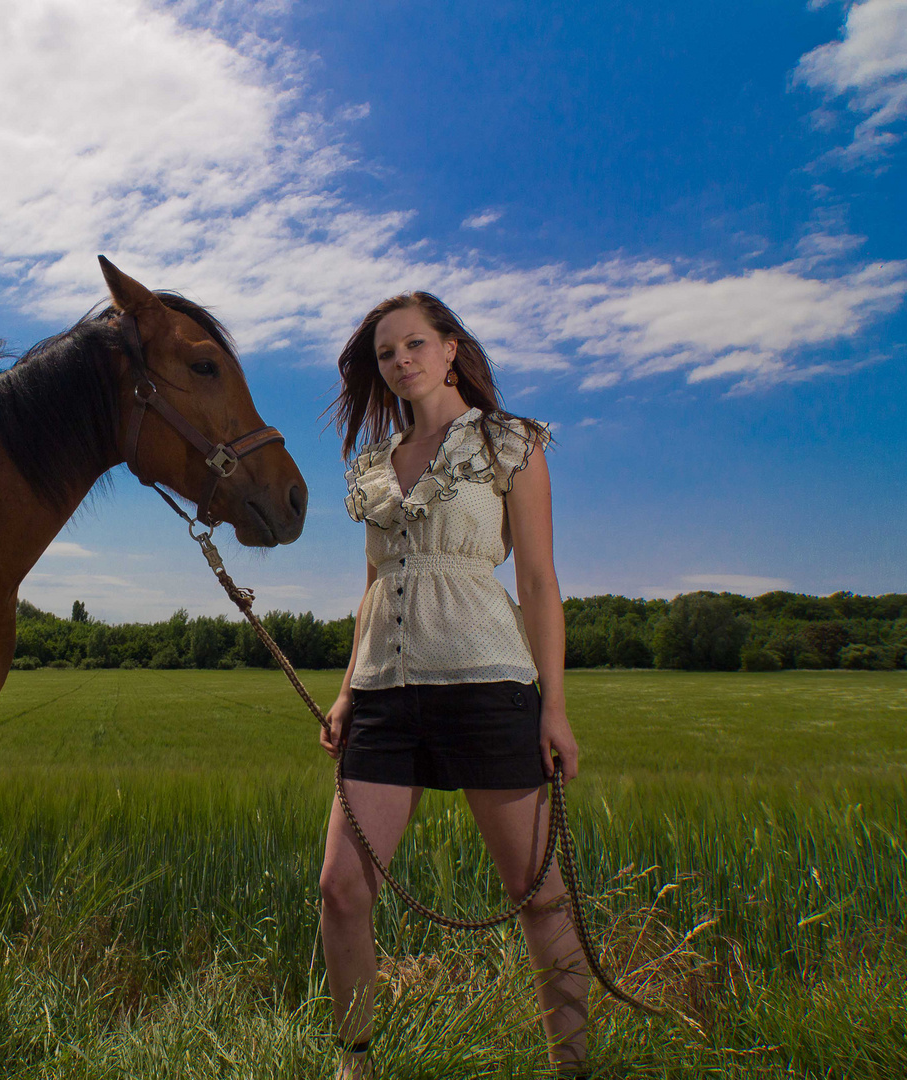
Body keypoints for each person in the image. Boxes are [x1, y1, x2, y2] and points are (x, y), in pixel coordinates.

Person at [318, 292, 588, 1078]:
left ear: (450, 347)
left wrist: (556, 709)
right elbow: (373, 583)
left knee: (537, 895)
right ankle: (355, 1062)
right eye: (385, 355)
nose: (401, 363)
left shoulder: (511, 444)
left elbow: (537, 580)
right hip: (382, 694)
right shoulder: (374, 467)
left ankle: (570, 1066)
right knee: (340, 889)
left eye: (413, 345)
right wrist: (344, 692)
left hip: (486, 685)